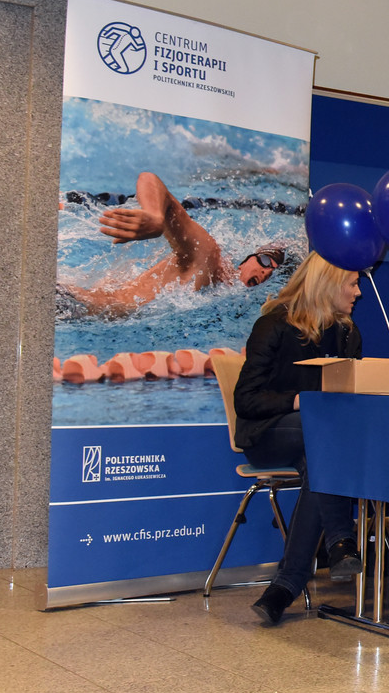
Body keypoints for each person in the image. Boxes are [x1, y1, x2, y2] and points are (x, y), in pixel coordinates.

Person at [238, 253, 364, 626]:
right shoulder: (273, 325)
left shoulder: (348, 333)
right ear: (328, 285)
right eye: (352, 284)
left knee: (320, 457)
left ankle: (284, 587)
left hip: (320, 443)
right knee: (323, 438)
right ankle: (340, 539)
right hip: (268, 433)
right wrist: (297, 401)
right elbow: (246, 400)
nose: (358, 293)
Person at [57, 171, 288, 318]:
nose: (267, 271)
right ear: (246, 260)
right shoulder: (209, 259)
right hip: (71, 303)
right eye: (265, 261)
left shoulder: (217, 291)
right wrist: (155, 217)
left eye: (272, 272)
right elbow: (150, 179)